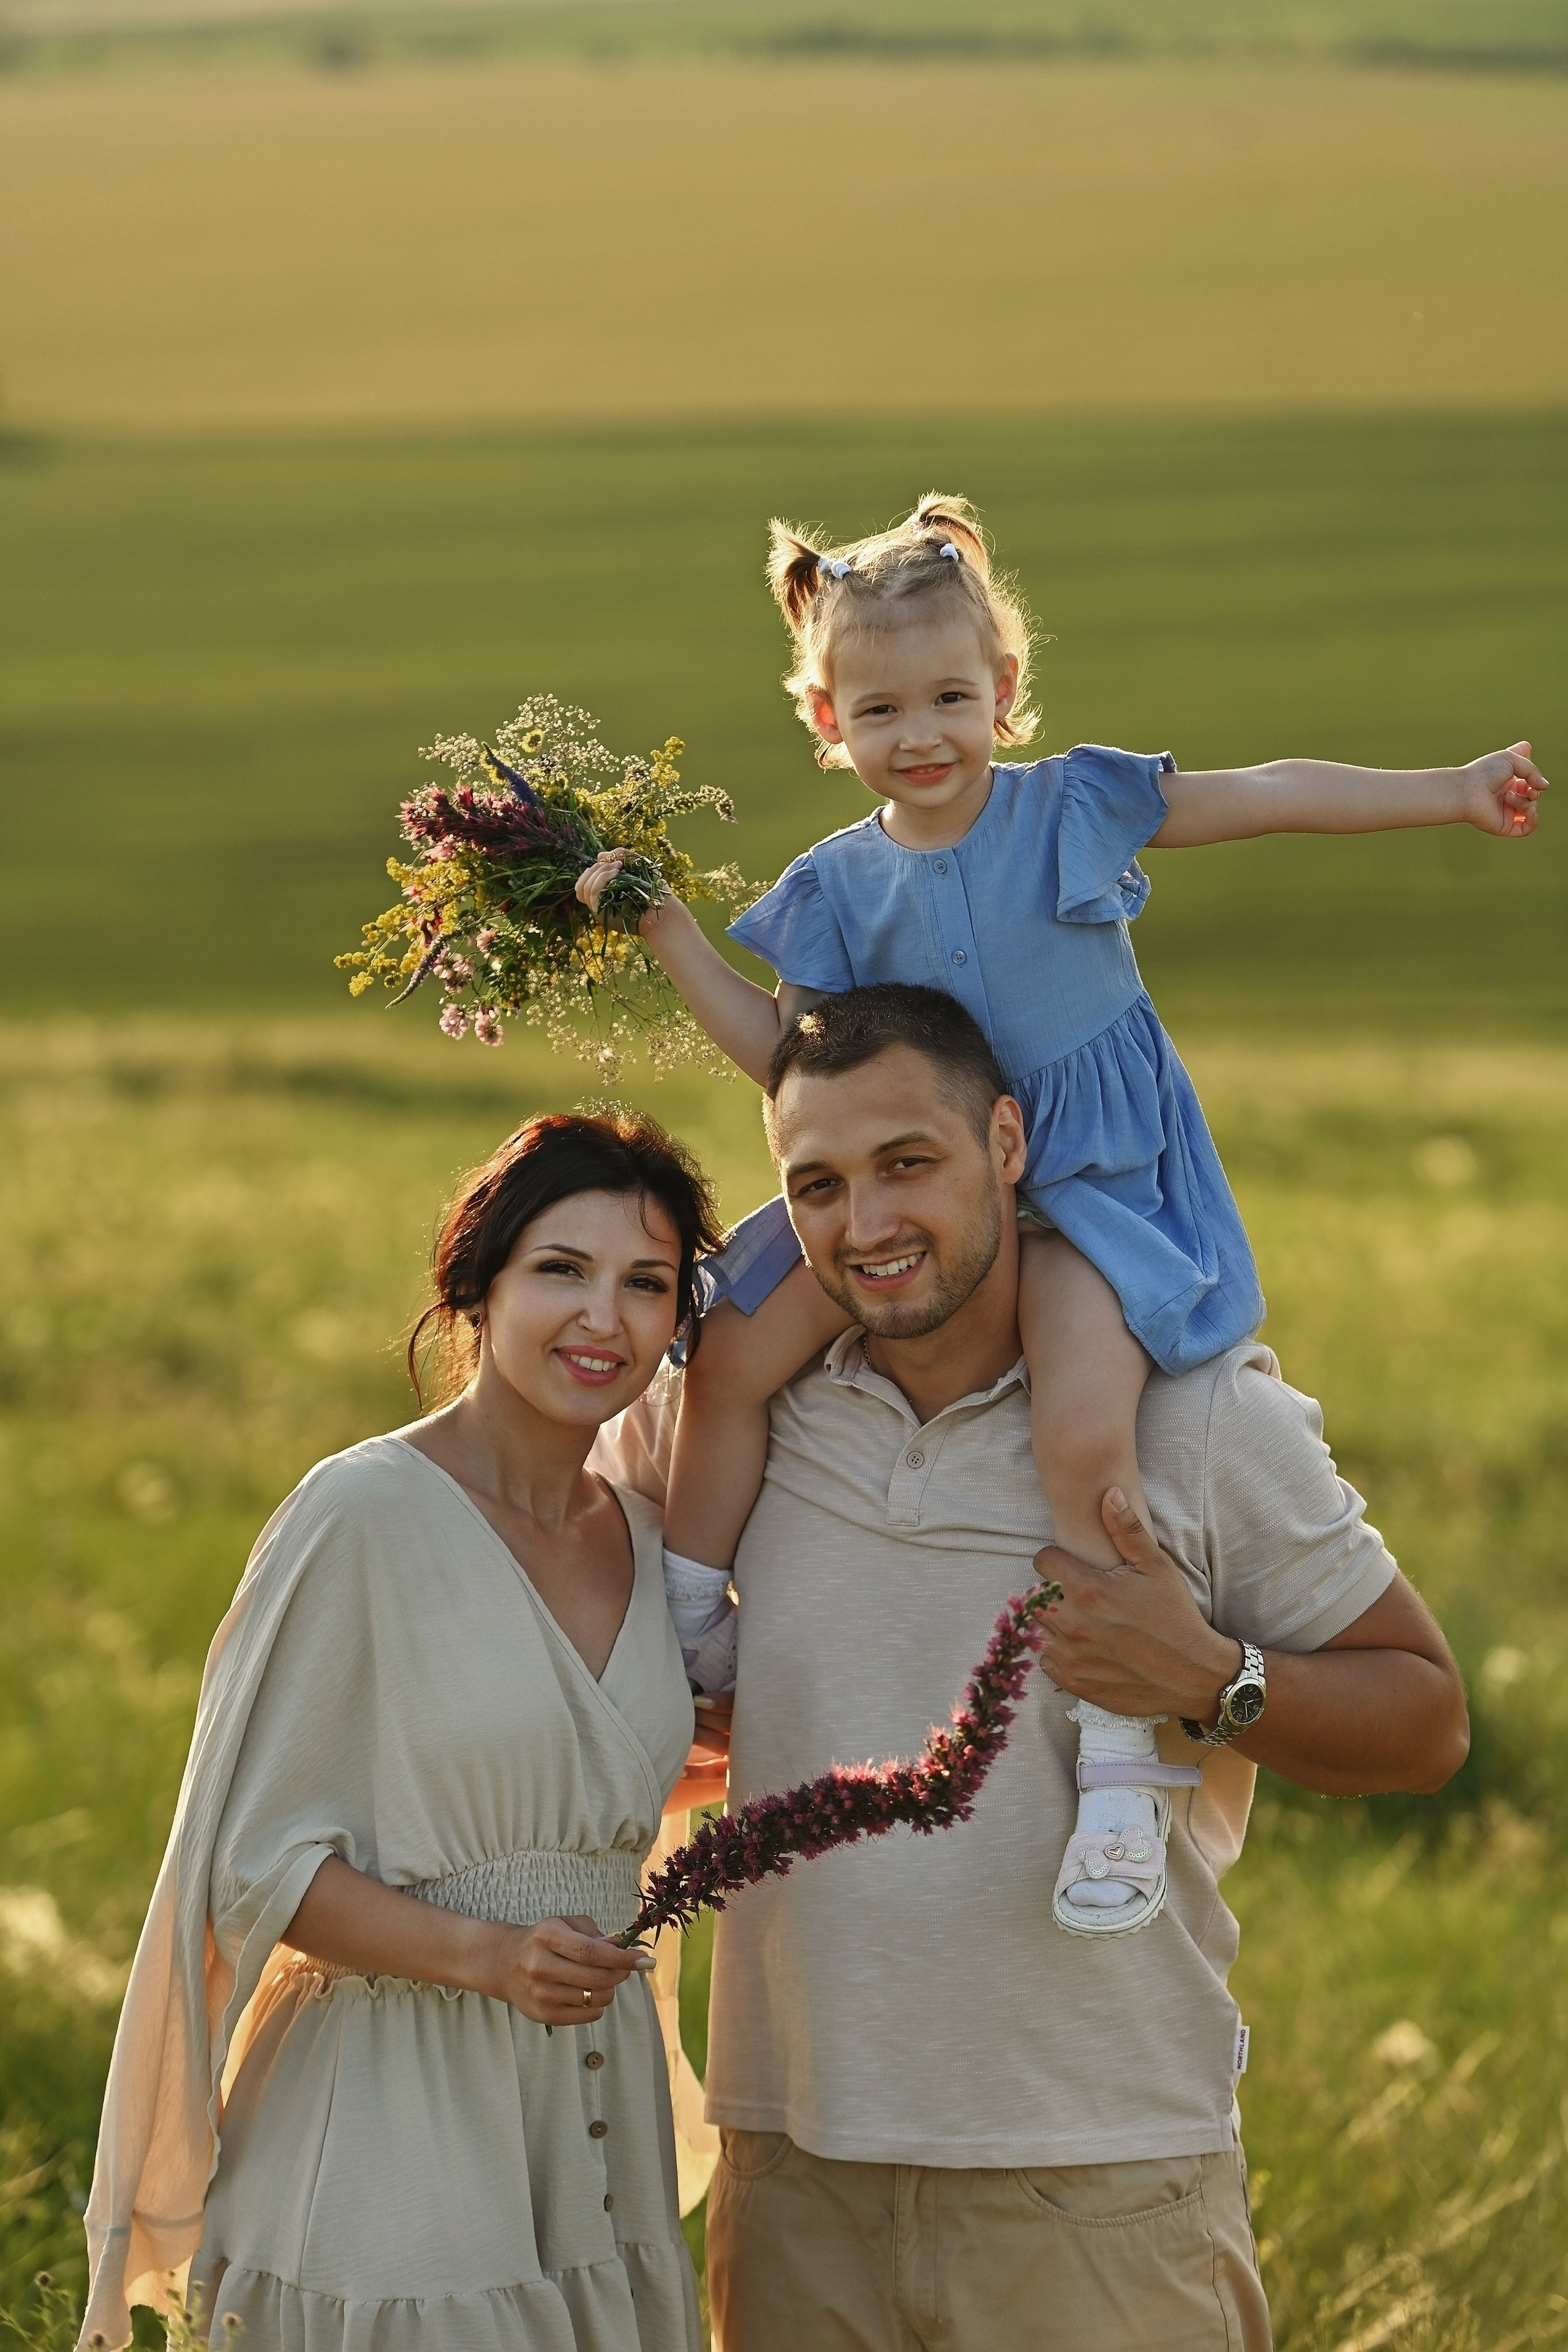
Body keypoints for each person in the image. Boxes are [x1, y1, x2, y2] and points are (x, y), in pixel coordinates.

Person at [578, 491, 1539, 1936]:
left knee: (1085, 1433)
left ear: (1004, 695)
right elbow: (789, 1066)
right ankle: (692, 1629)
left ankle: (1116, 1749)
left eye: (951, 697)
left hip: (1080, 1197)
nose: (922, 735)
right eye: (881, 706)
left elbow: (1266, 792)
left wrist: (1448, 787)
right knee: (725, 1362)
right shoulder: (832, 889)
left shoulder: (1073, 807)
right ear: (825, 720)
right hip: (917, 1194)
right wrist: (664, 932)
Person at [592, 983, 1470, 2352]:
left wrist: (1213, 1679)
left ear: (1006, 1141)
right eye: (813, 1186)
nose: (863, 1225)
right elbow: (535, 1581)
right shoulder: (736, 1417)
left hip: (1096, 2184)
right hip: (791, 2178)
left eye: (906, 1165)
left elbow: (1424, 1720)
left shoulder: (1190, 1415)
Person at [78, 1111, 727, 2352]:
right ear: (474, 1285)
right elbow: (251, 1866)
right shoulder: (360, 1514)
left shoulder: (648, 1542)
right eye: (561, 1270)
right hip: (395, 2121)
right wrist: (487, 1958)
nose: (605, 1318)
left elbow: (580, 1790)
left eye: (646, 1285)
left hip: (591, 2130)